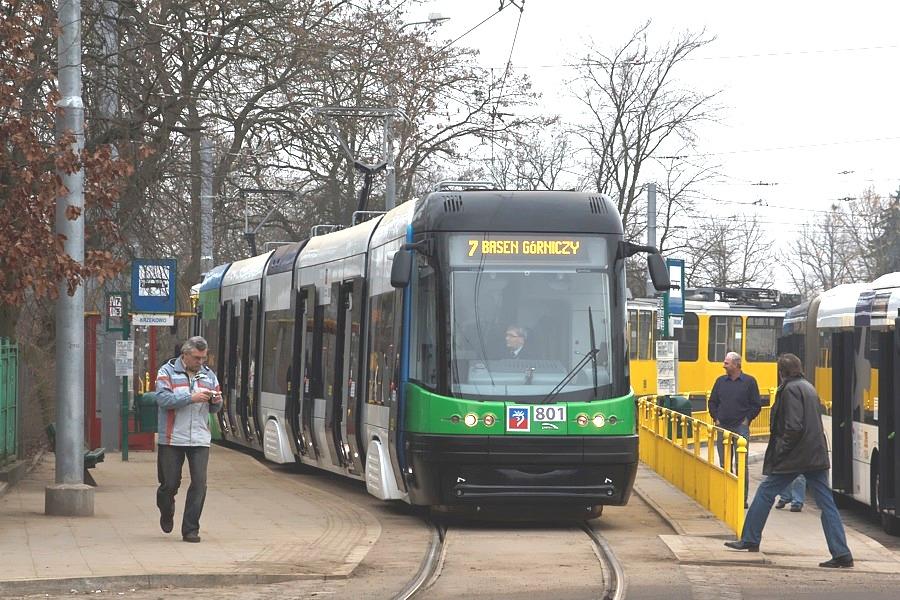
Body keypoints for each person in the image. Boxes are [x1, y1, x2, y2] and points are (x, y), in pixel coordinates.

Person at [724, 353, 854, 569]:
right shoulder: (808, 387)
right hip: (815, 455)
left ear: (781, 372)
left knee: (765, 492)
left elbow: (793, 427)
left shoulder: (790, 390)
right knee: (827, 504)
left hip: (795, 456)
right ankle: (842, 552)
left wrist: (780, 453)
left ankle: (750, 538)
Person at [155, 336, 223, 543]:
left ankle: (191, 529)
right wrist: (190, 398)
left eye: (203, 358)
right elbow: (163, 399)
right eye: (196, 358)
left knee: (199, 484)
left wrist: (216, 401)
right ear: (184, 354)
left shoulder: (208, 375)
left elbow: (216, 406)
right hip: (172, 437)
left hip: (200, 438)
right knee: (170, 483)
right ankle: (166, 510)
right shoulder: (166, 372)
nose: (200, 362)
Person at [708, 351, 761, 503]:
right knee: (724, 464)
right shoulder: (720, 381)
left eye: (726, 363)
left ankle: (741, 499)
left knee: (741, 464)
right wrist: (716, 418)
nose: (723, 365)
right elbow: (712, 402)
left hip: (740, 428)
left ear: (736, 365)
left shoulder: (749, 382)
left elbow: (756, 405)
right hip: (722, 427)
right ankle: (726, 497)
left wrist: (746, 420)